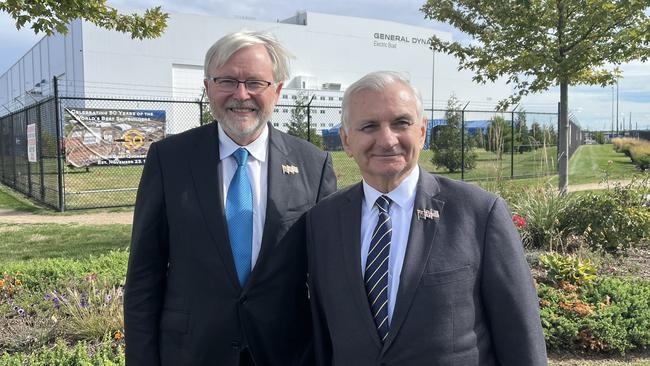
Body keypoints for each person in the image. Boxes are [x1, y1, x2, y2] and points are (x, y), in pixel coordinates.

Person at [124, 30, 336, 366]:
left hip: (285, 353)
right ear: (208, 87)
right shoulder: (169, 159)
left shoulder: (313, 164)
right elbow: (143, 277)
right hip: (192, 352)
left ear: (278, 90)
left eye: (255, 82)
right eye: (227, 81)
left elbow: (329, 280)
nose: (241, 94)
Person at [306, 71, 547, 365]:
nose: (387, 139)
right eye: (369, 126)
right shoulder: (322, 222)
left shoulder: (479, 213)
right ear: (346, 140)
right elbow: (321, 337)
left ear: (422, 132)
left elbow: (520, 337)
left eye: (400, 123)